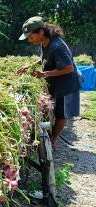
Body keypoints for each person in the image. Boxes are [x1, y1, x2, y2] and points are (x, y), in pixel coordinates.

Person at [18, 16, 81, 147]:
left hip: (67, 83)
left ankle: (52, 140)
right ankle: (50, 134)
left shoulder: (57, 46)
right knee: (54, 108)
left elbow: (69, 68)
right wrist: (29, 66)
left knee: (62, 114)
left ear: (41, 32)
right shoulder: (45, 42)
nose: (29, 40)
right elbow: (43, 59)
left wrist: (44, 74)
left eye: (31, 37)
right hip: (57, 81)